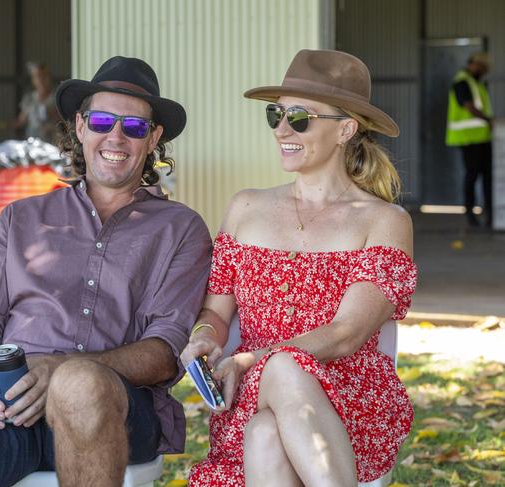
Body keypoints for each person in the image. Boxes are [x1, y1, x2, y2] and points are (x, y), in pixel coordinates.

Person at [0, 56, 212, 487]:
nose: (115, 136)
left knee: (79, 383)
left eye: (134, 127)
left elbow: (163, 352)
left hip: (115, 404)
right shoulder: (19, 219)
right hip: (12, 402)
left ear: (153, 137)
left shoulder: (181, 228)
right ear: (81, 127)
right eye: (102, 121)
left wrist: (59, 370)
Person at [180, 49, 418, 486]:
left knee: (277, 394)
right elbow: (216, 312)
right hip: (251, 392)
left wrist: (253, 359)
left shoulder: (385, 221)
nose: (282, 130)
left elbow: (347, 333)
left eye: (301, 117)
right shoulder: (245, 207)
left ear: (346, 129)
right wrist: (202, 340)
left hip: (348, 398)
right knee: (264, 429)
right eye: (277, 115)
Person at [445, 52, 494, 227]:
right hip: (468, 138)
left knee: (488, 177)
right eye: (482, 68)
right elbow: (468, 106)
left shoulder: (476, 83)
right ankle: (470, 215)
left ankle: (490, 213)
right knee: (472, 175)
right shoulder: (462, 81)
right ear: (473, 64)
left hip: (482, 138)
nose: (483, 71)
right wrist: (489, 120)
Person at [14, 62, 60, 143]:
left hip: (52, 144)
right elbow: (21, 121)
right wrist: (1, 127)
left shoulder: (58, 98)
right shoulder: (29, 99)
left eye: (44, 76)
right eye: (38, 76)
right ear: (33, 79)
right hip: (32, 143)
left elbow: (64, 121)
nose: (41, 79)